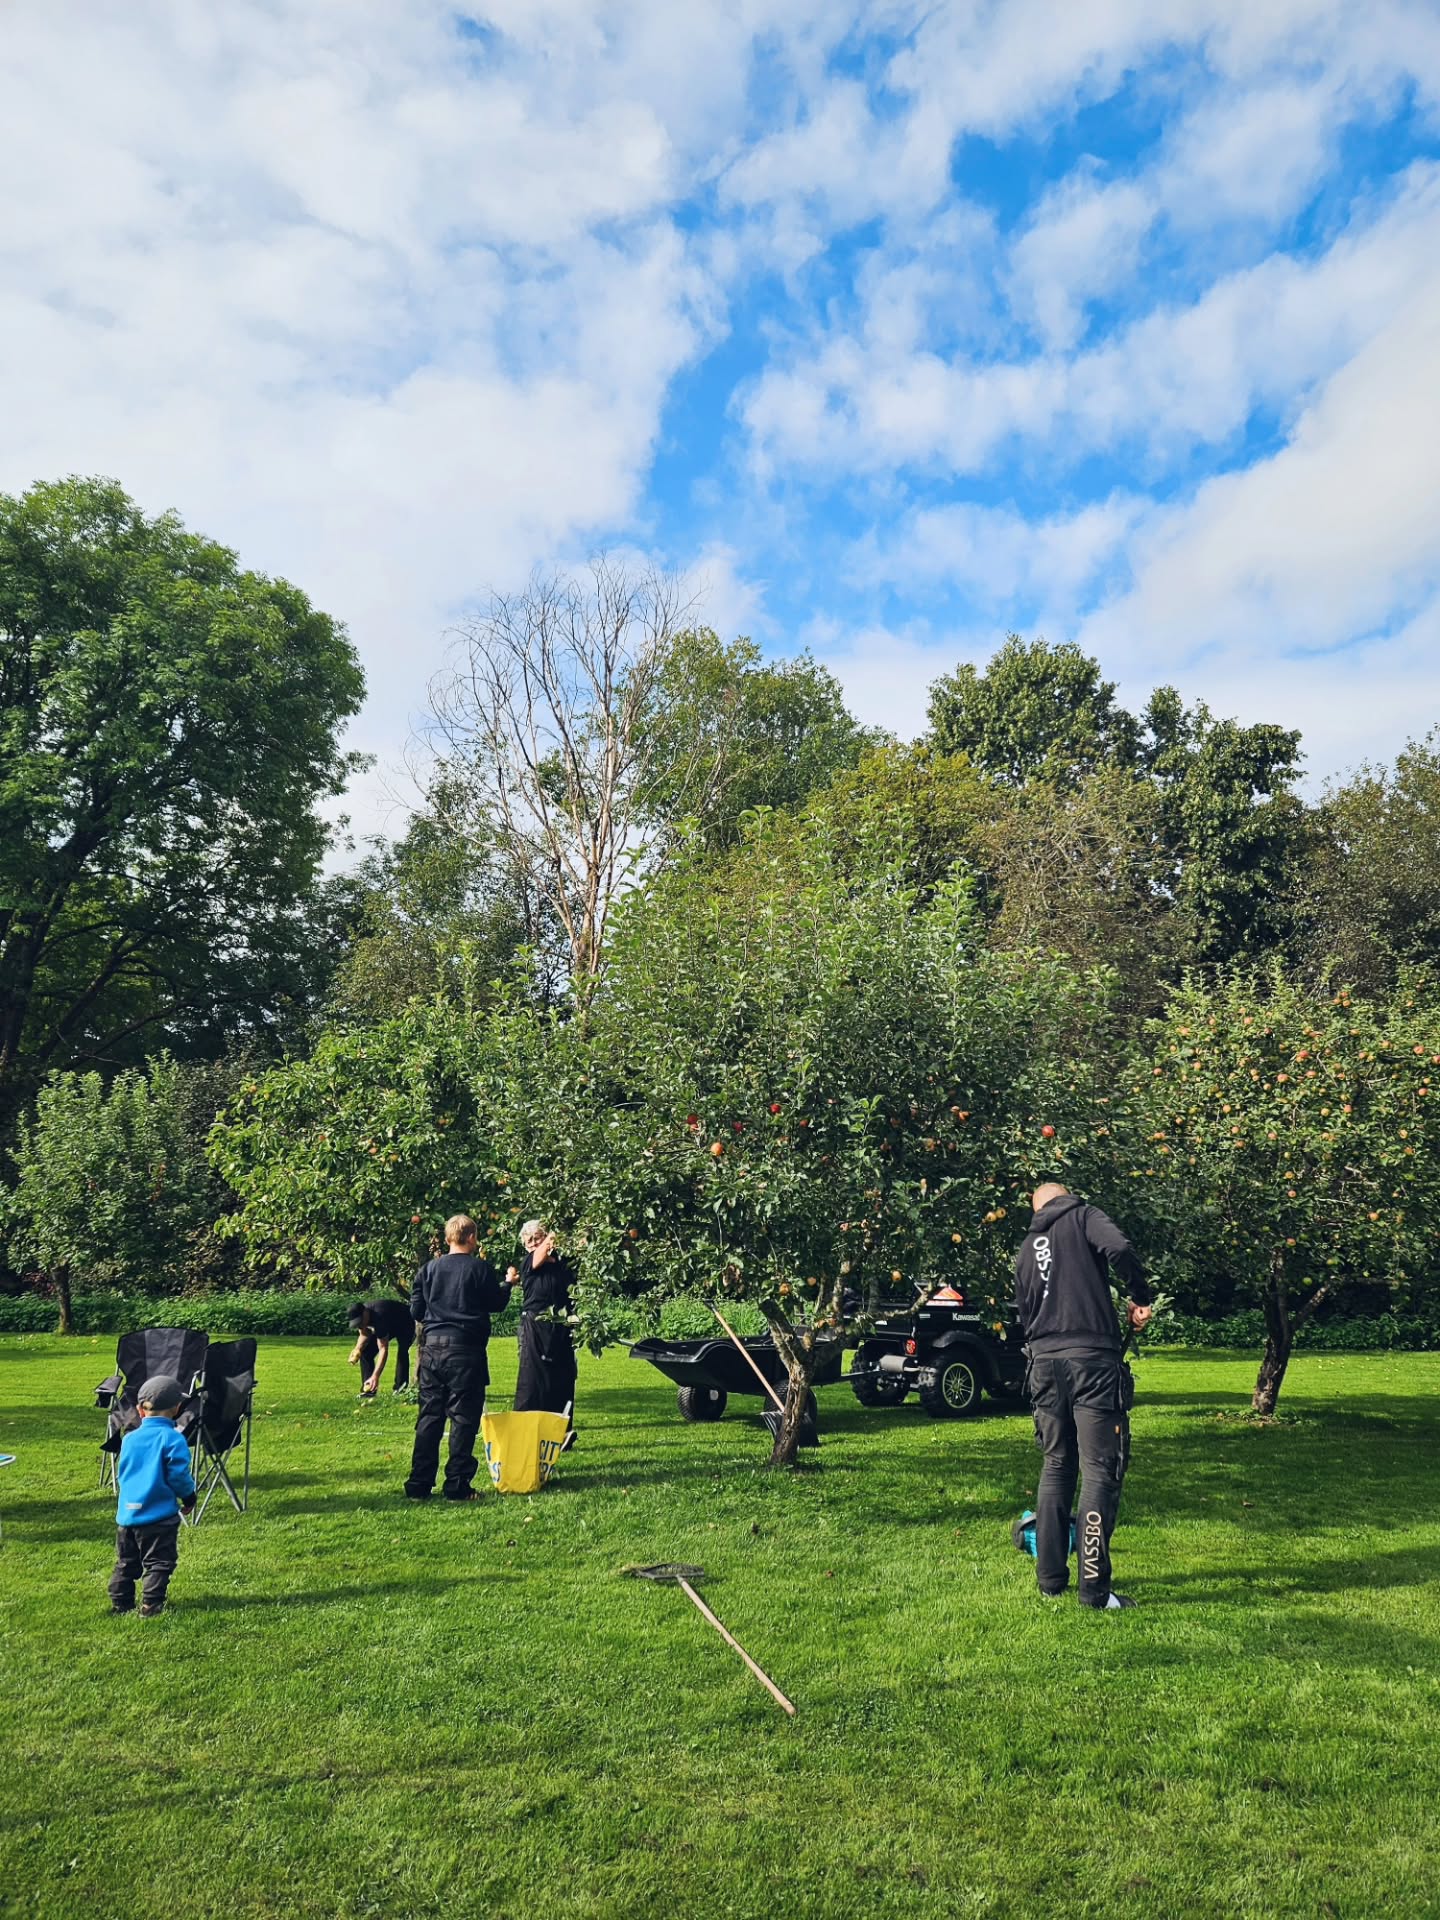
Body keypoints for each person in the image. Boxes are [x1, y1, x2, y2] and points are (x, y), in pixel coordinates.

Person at [1013, 1182, 1153, 1611]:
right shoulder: (1084, 1216)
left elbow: (1025, 1313)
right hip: (1091, 1361)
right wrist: (1140, 1296)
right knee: (1098, 1469)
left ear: (1036, 1208)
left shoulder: (1024, 1252)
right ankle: (1094, 1592)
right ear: (1066, 1197)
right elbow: (1120, 1248)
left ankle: (1051, 1581)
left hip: (1043, 1364)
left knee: (1056, 1465)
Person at [404, 1214, 515, 1502]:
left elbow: (416, 1311)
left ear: (447, 1238)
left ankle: (419, 1483)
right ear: (473, 1238)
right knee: (463, 1418)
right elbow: (496, 1304)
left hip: (431, 1350)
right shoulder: (479, 1269)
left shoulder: (427, 1270)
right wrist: (508, 1284)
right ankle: (457, 1484)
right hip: (466, 1348)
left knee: (429, 1416)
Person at [109, 1375, 197, 1616]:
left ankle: (120, 1603)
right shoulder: (174, 1439)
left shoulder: (129, 1439)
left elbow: (125, 1473)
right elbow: (178, 1476)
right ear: (177, 1409)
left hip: (127, 1516)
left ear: (140, 1409)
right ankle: (150, 1605)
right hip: (158, 1517)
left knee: (126, 1563)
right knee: (159, 1562)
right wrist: (189, 1497)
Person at [507, 1219, 577, 1434]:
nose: (533, 1243)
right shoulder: (528, 1261)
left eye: (537, 1238)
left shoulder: (564, 1263)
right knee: (532, 1379)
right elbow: (539, 1256)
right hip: (536, 1324)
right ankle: (524, 1431)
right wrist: (559, 1218)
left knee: (563, 1377)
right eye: (529, 1240)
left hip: (562, 1324)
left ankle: (560, 1432)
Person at [347, 1296, 415, 1396]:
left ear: (365, 1313)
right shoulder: (363, 1318)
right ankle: (369, 1389)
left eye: (360, 1322)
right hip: (389, 1322)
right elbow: (364, 1334)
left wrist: (376, 1376)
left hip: (406, 1322)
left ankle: (400, 1389)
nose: (360, 1325)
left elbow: (383, 1349)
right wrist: (357, 1349)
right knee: (365, 1353)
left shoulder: (379, 1316)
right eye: (357, 1324)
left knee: (403, 1352)